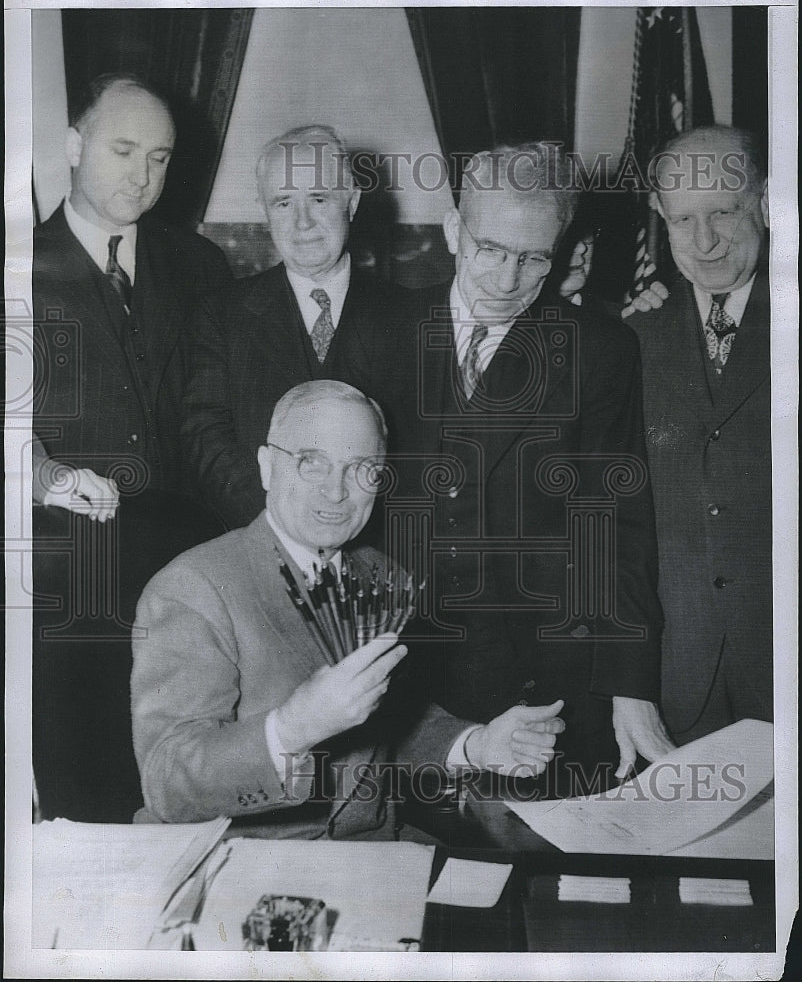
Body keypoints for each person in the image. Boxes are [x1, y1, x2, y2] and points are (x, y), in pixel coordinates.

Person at [336, 143, 673, 792]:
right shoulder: (377, 329)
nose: (507, 278)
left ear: (562, 249)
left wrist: (631, 687)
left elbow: (619, 531)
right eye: (491, 249)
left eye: (533, 258)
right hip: (407, 681)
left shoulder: (598, 352)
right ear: (454, 230)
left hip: (546, 686)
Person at [131, 380, 566, 835]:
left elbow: (382, 729)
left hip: (372, 855)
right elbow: (167, 782)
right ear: (266, 467)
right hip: (240, 860)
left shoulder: (384, 577)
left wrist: (475, 744)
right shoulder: (194, 587)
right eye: (312, 463)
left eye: (362, 469)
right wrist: (291, 729)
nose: (337, 492)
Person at [181, 124, 407, 530]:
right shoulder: (219, 315)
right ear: (264, 211)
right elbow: (207, 441)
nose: (302, 222)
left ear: (351, 202)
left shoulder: (406, 315)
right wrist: (283, 530)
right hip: (259, 543)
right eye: (283, 203)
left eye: (319, 198)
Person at [626, 125, 772, 743]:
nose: (705, 242)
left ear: (764, 201)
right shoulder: (632, 336)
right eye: (684, 221)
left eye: (723, 213)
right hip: (676, 686)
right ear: (660, 216)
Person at [32, 72, 231, 507]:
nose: (141, 176)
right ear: (74, 147)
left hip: (190, 535)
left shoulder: (203, 265)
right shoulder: (16, 269)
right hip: (71, 538)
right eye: (123, 151)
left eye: (158, 158)